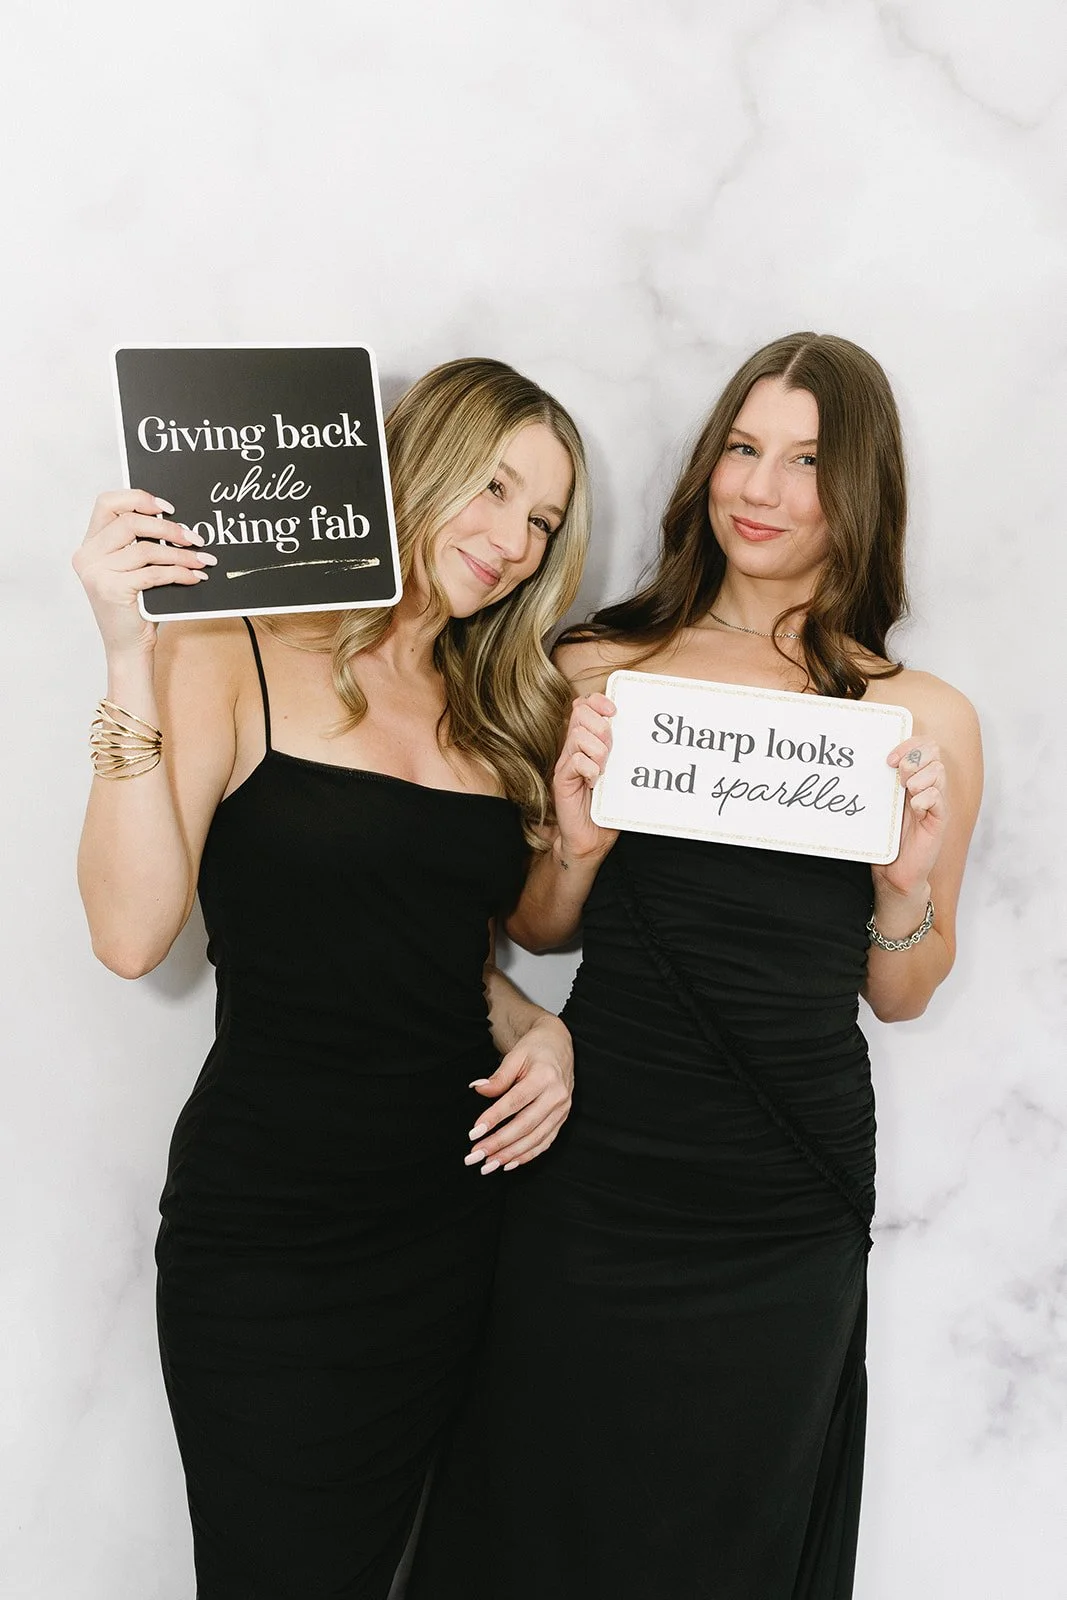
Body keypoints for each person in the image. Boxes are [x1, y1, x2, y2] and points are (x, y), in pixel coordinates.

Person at [407, 333, 983, 1600]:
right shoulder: (596, 669)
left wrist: (900, 887)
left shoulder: (918, 717)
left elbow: (900, 989)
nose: (758, 489)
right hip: (599, 1156)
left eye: (803, 462)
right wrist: (573, 837)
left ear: (862, 492)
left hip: (786, 1186)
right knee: (543, 1493)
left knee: (733, 1525)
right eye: (739, 447)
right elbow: (537, 928)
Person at [73, 356, 592, 1599]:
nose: (512, 539)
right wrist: (126, 659)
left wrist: (546, 1027)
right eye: (493, 487)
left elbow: (449, 939)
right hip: (272, 1237)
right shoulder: (233, 649)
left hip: (455, 1224)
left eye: (542, 519)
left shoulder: (494, 700)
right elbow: (132, 932)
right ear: (410, 465)